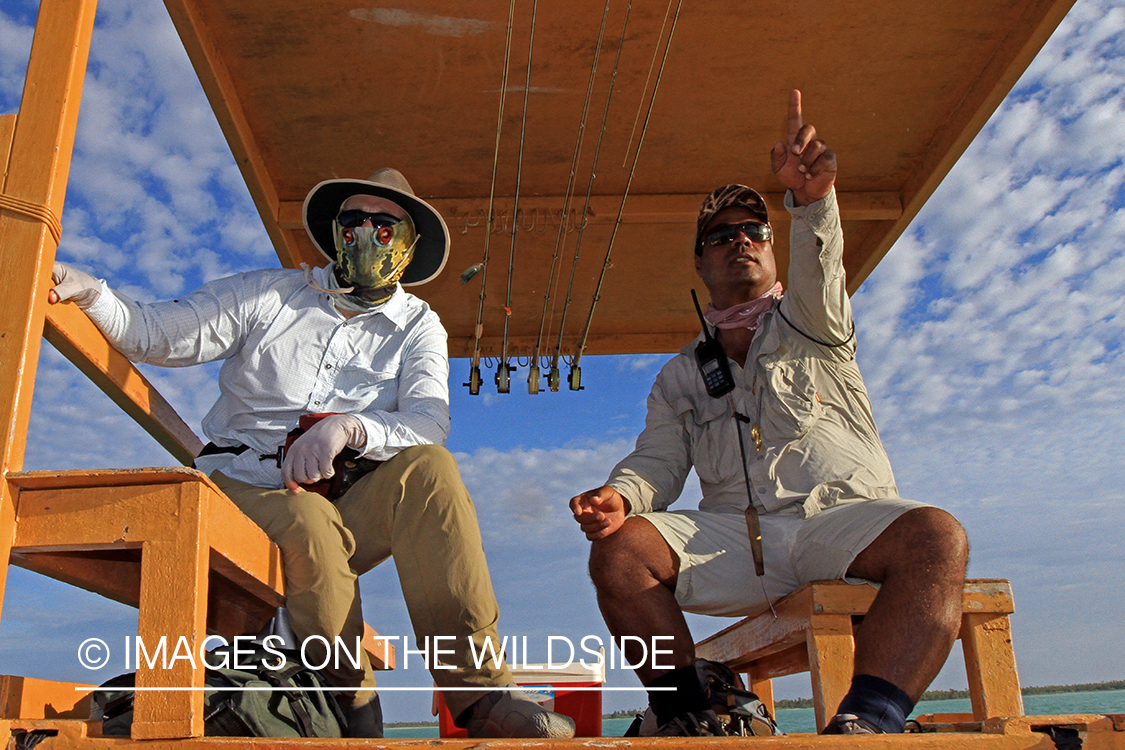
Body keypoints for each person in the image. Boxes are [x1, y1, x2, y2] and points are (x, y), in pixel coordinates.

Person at [50, 168, 576, 740]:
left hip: (343, 495)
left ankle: (479, 695)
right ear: (334, 233)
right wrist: (91, 291)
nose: (365, 233)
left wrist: (348, 427)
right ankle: (353, 705)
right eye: (351, 221)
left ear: (408, 240)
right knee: (309, 518)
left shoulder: (418, 324)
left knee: (431, 470)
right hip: (245, 482)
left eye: (384, 222)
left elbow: (429, 422)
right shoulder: (268, 293)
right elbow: (155, 333)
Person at [570, 91, 969, 736]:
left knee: (936, 535)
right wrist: (621, 495)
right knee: (620, 553)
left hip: (837, 526)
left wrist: (812, 204)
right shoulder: (678, 377)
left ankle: (869, 720)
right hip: (737, 539)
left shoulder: (813, 323)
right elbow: (659, 463)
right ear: (700, 262)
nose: (741, 243)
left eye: (755, 233)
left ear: (773, 249)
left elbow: (821, 267)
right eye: (721, 236)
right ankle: (685, 710)